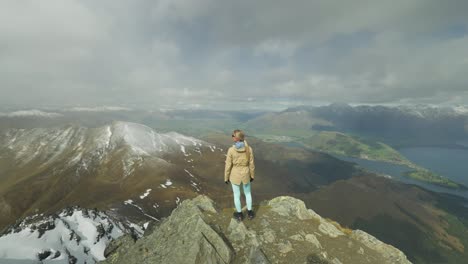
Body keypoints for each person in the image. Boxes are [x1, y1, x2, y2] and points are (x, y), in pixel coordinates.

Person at [224, 129, 255, 221]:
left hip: (235, 175)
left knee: (236, 195)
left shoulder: (231, 150)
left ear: (237, 138)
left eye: (233, 135)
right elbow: (251, 164)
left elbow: (228, 165)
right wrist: (252, 175)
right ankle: (250, 213)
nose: (232, 137)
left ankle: (239, 214)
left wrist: (226, 177)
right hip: (246, 174)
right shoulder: (249, 149)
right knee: (248, 193)